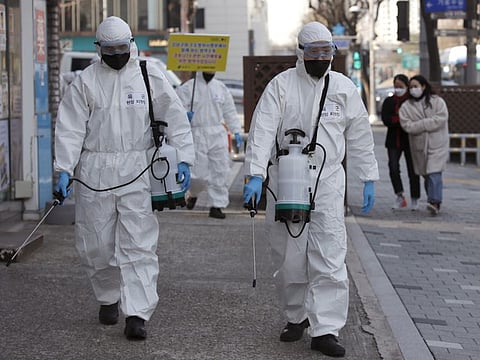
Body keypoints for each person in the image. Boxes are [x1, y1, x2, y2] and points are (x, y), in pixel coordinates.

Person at [243, 22, 379, 358]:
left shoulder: (344, 88)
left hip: (329, 181)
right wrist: (256, 174)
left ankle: (326, 329)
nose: (321, 58)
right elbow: (262, 129)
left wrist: (367, 178)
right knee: (289, 257)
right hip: (286, 179)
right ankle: (296, 316)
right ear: (300, 53)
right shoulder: (281, 86)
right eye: (314, 52)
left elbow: (360, 137)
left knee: (330, 256)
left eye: (326, 51)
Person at [54, 16, 195, 340]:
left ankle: (137, 314)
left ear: (131, 44)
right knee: (95, 244)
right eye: (110, 49)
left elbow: (173, 115)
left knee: (139, 244)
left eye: (122, 48)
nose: (117, 54)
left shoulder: (149, 74)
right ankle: (108, 297)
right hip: (96, 170)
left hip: (138, 169)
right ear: (98, 49)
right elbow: (71, 128)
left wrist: (184, 157)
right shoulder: (86, 81)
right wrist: (63, 168)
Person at [176, 71, 243, 219]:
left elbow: (230, 111)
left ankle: (217, 205)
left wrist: (236, 131)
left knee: (220, 170)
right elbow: (175, 109)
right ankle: (193, 193)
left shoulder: (220, 88)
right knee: (197, 174)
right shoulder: (188, 88)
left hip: (217, 133)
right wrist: (184, 116)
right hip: (196, 133)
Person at [399, 75, 449, 216]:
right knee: (427, 175)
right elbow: (407, 125)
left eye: (416, 86)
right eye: (411, 87)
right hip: (419, 146)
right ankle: (432, 199)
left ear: (424, 86)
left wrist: (422, 124)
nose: (413, 89)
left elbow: (441, 119)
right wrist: (426, 124)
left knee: (434, 173)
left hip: (437, 143)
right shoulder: (406, 106)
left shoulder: (437, 102)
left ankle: (434, 201)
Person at [381, 74, 420, 210]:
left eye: (401, 87)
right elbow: (386, 120)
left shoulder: (412, 101)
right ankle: (399, 194)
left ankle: (415, 198)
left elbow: (415, 119)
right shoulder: (389, 101)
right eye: (396, 86)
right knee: (393, 168)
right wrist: (402, 121)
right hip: (393, 141)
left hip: (410, 140)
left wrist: (399, 120)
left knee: (413, 170)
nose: (398, 89)